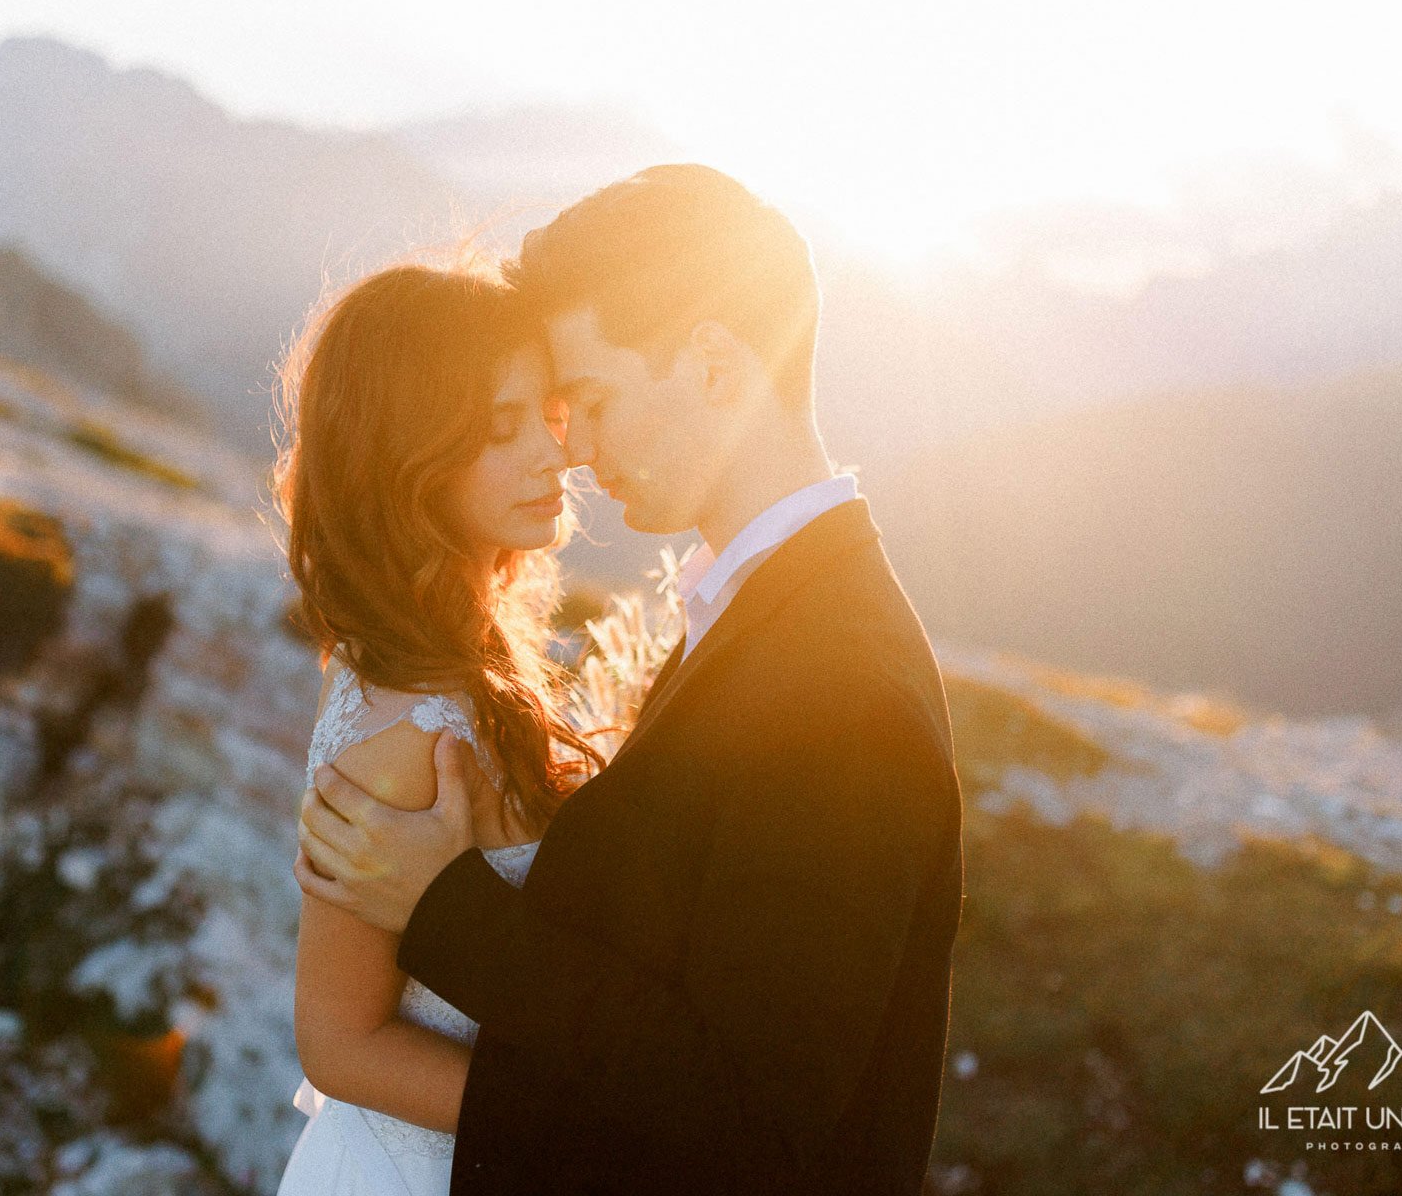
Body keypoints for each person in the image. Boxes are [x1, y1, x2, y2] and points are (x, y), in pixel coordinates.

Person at [295, 164, 966, 1194]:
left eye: (592, 403)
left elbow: (749, 1122)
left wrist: (449, 910)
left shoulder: (839, 687)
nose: (574, 452)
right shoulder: (766, 613)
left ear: (712, 366)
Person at [271, 260, 607, 1195]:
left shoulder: (466, 657)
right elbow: (338, 1041)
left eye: (548, 413)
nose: (552, 454)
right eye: (501, 429)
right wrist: (590, 1123)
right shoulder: (409, 731)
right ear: (408, 462)